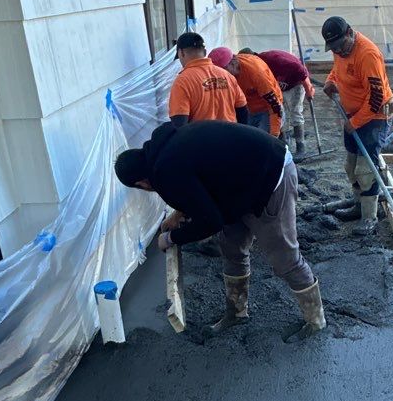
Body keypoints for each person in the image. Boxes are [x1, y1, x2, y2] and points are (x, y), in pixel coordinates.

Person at [114, 121, 325, 339]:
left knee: (284, 258)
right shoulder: (162, 150)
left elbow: (210, 222)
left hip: (270, 176)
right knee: (232, 247)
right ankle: (237, 312)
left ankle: (315, 320)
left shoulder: (165, 170)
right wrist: (180, 213)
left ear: (141, 183)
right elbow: (198, 179)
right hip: (239, 184)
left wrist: (171, 238)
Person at [320, 16, 393, 230]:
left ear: (350, 33)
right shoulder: (339, 50)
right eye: (333, 48)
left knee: (365, 169)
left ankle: (369, 217)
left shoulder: (367, 55)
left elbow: (376, 97)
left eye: (340, 46)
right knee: (351, 166)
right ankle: (358, 205)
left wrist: (357, 122)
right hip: (351, 115)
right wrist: (331, 81)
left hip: (374, 118)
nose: (338, 52)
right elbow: (338, 69)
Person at [239, 47, 315, 158]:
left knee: (295, 112)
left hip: (295, 82)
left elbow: (300, 70)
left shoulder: (274, 59)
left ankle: (300, 146)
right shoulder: (255, 68)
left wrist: (309, 90)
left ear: (253, 57)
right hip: (280, 86)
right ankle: (283, 143)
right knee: (280, 113)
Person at [168, 32, 248, 126]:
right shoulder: (227, 76)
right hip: (230, 136)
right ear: (205, 52)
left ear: (181, 53)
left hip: (201, 138)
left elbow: (179, 122)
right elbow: (242, 110)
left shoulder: (182, 81)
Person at [209, 47, 283, 135]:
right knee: (247, 136)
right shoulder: (223, 75)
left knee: (261, 139)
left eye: (222, 70)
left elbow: (274, 105)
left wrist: (274, 132)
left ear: (233, 63)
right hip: (249, 108)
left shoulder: (256, 73)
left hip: (268, 109)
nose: (219, 75)